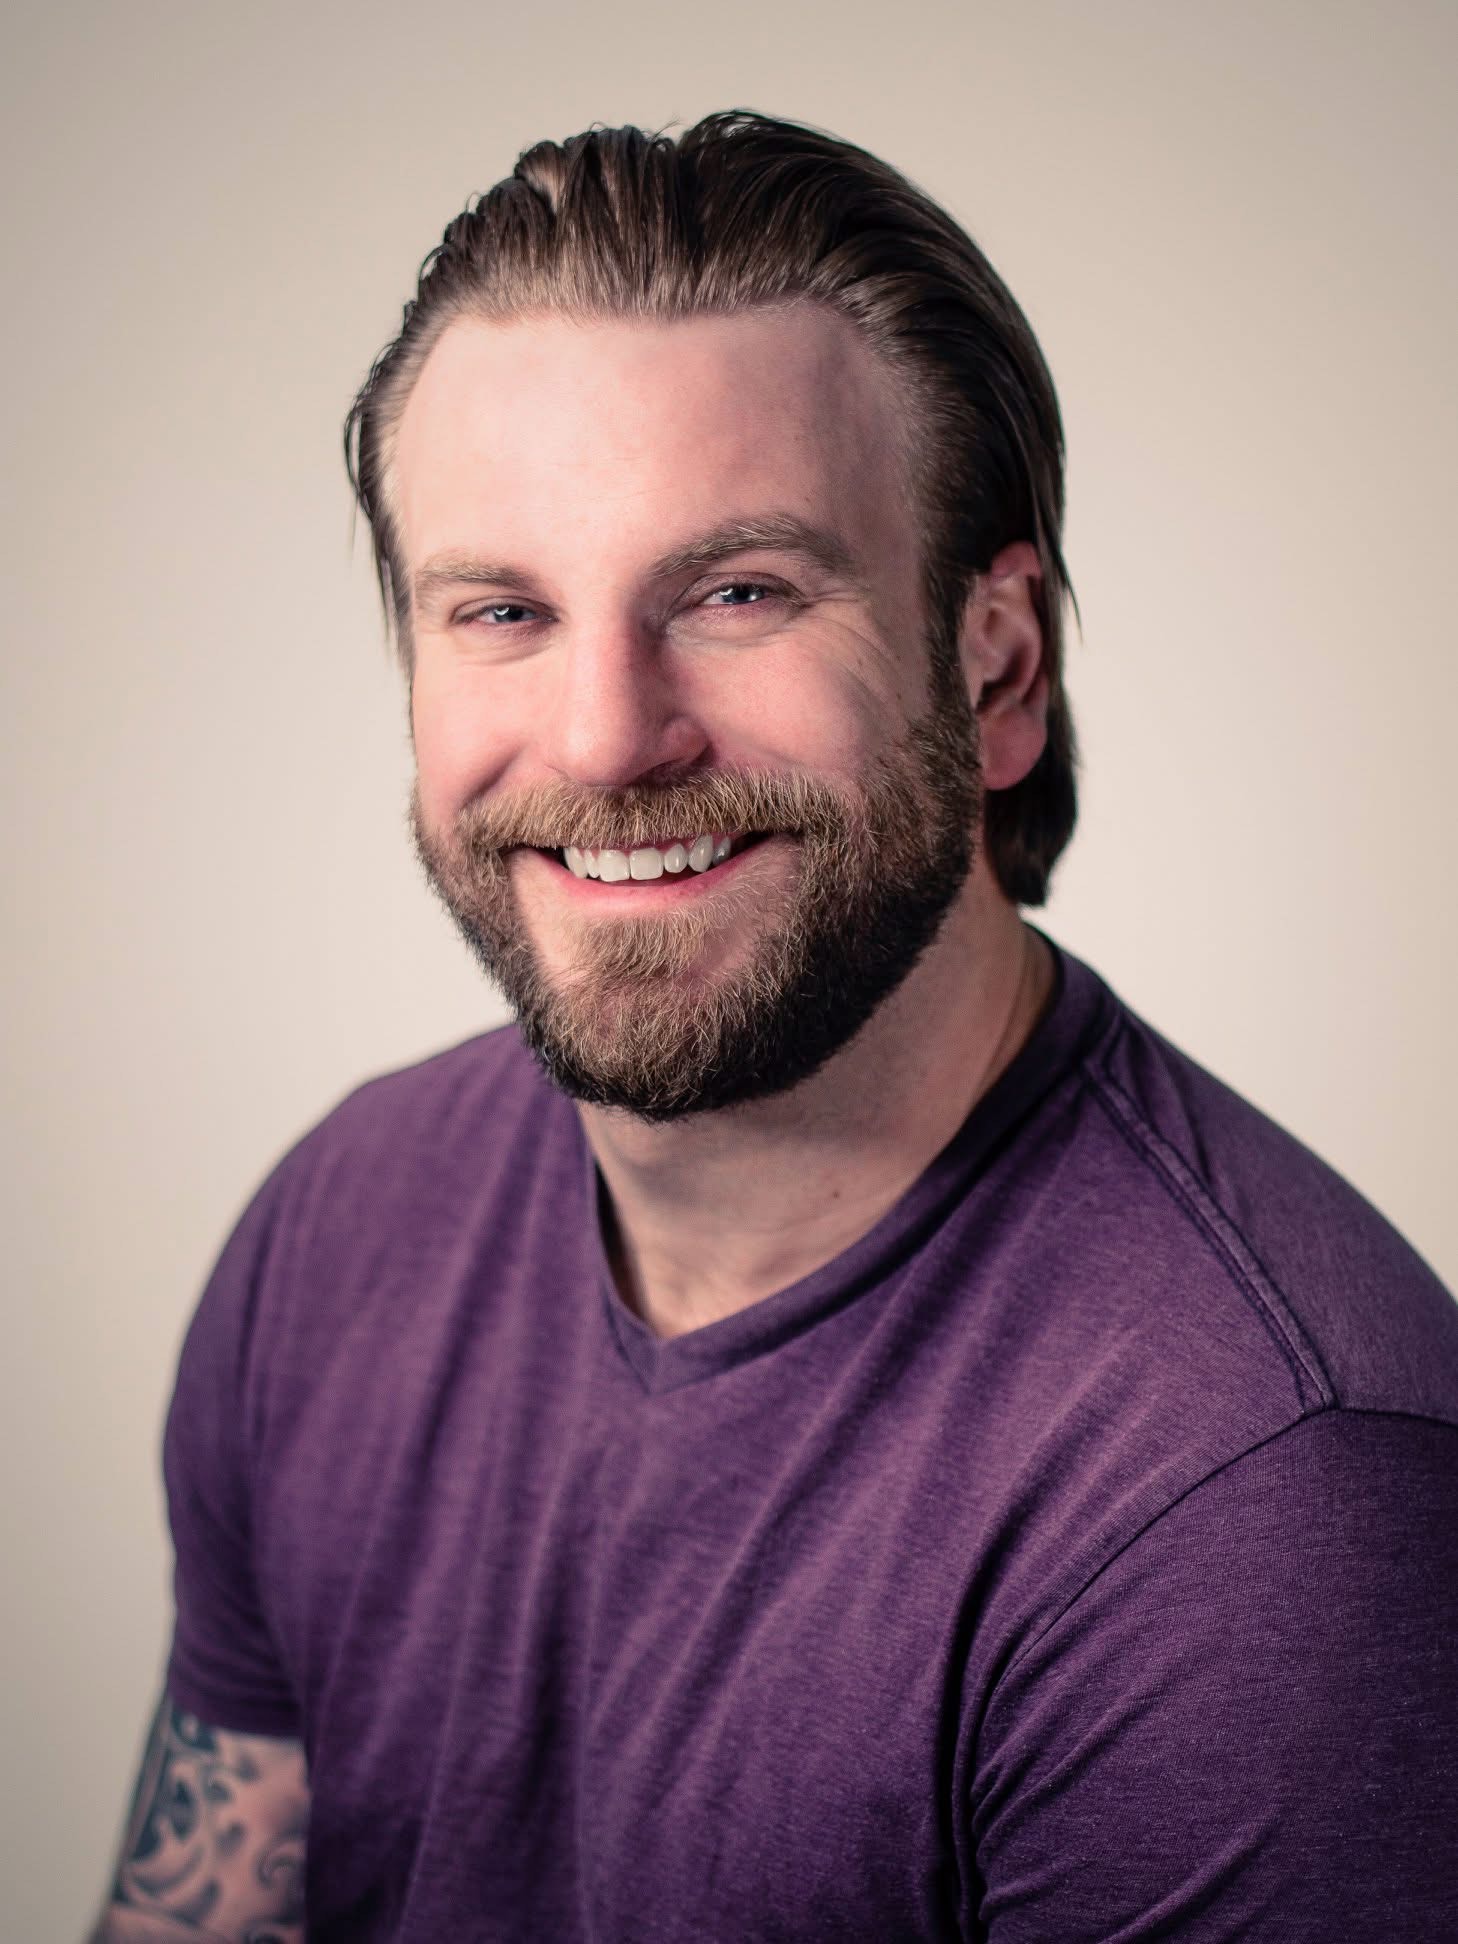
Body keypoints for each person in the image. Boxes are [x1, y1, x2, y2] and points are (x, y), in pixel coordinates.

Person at [90, 109, 1458, 1943]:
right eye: (502, 609)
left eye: (738, 593)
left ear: (995, 666)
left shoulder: (1264, 1504)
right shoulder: (338, 1231)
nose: (602, 739)